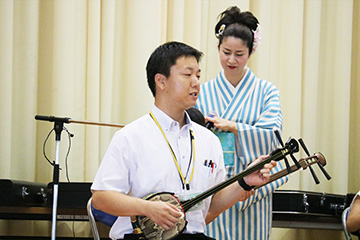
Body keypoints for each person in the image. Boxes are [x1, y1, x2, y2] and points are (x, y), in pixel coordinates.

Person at [91, 41, 276, 240]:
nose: (196, 82)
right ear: (161, 81)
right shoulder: (131, 136)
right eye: (187, 75)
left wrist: (245, 181)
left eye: (198, 75)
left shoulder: (209, 140)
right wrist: (146, 208)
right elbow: (101, 198)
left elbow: (211, 208)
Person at [195, 6, 287, 240]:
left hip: (253, 190)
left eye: (239, 54)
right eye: (226, 52)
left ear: (250, 52)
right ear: (218, 48)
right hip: (215, 188)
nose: (231, 60)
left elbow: (272, 134)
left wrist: (233, 127)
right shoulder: (202, 93)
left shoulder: (267, 91)